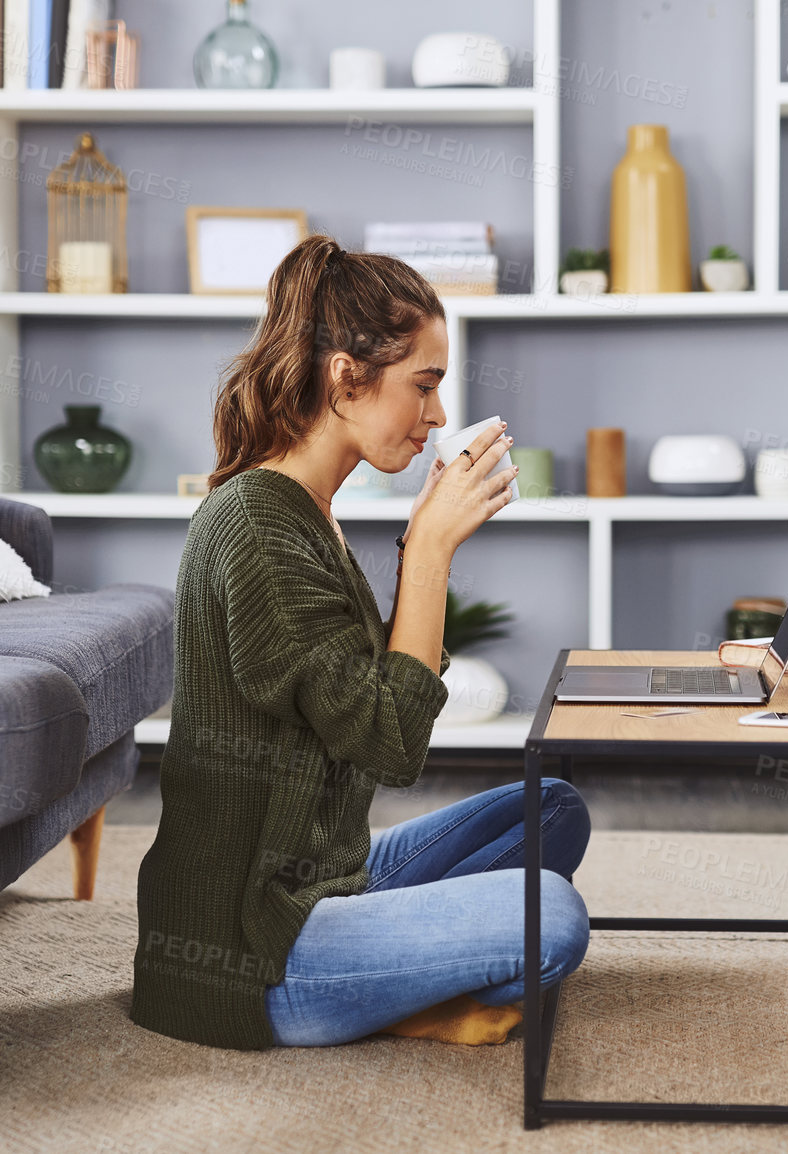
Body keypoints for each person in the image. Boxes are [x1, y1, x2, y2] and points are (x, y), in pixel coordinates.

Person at [129, 234, 591, 1051]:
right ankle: (396, 1000)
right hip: (253, 945)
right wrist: (430, 553)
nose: (439, 415)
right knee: (550, 916)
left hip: (319, 873)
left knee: (553, 809)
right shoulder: (258, 527)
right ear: (346, 376)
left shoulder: (302, 507)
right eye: (424, 385)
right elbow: (389, 741)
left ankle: (395, 970)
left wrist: (423, 543)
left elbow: (357, 693)